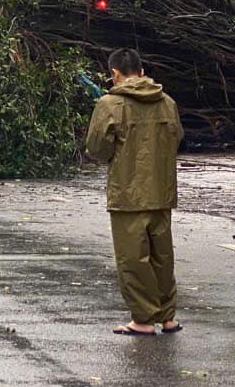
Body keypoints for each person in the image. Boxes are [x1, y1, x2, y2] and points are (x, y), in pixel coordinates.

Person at [86, 48, 184, 337]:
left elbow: (97, 149)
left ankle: (142, 319)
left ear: (115, 74)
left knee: (133, 259)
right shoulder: (167, 102)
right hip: (162, 191)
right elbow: (176, 137)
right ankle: (168, 317)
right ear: (142, 72)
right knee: (162, 256)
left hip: (127, 193)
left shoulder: (109, 104)